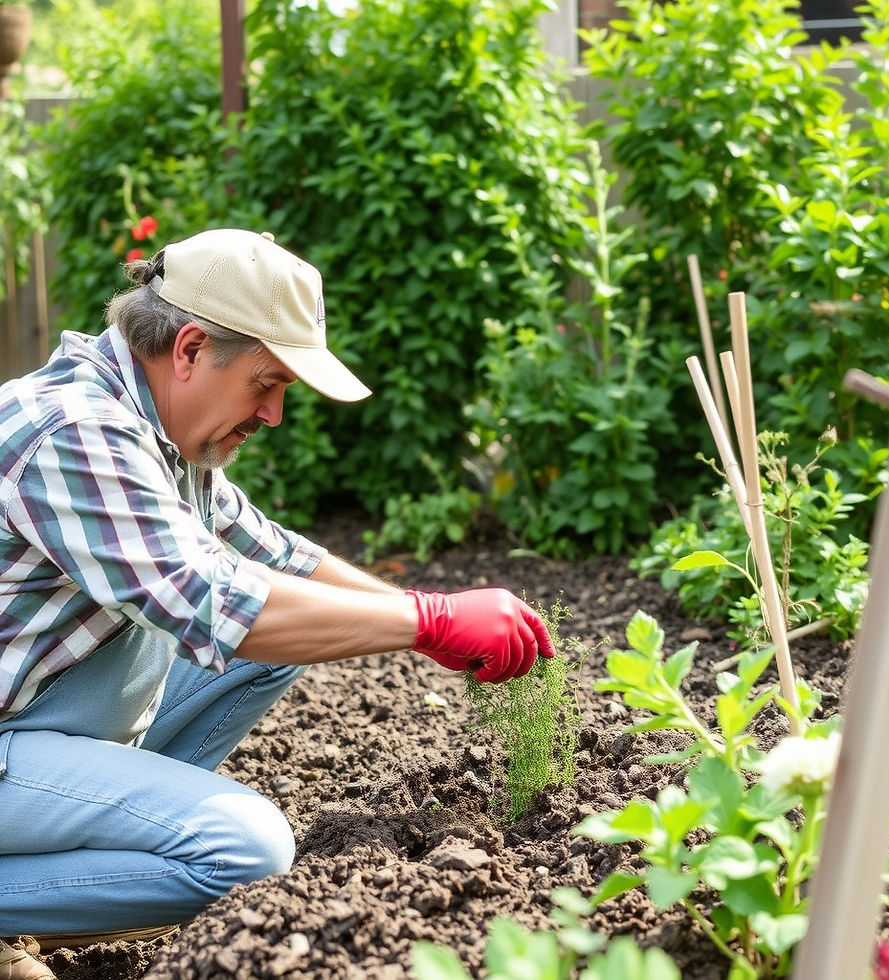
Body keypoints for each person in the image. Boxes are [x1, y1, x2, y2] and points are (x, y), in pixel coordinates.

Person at [0, 229, 555, 980]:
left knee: (270, 651)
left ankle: (92, 851)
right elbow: (209, 600)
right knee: (245, 850)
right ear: (191, 349)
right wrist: (428, 620)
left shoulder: (156, 428)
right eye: (267, 383)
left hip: (34, 711)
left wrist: (425, 619)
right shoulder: (74, 431)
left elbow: (273, 554)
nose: (274, 415)